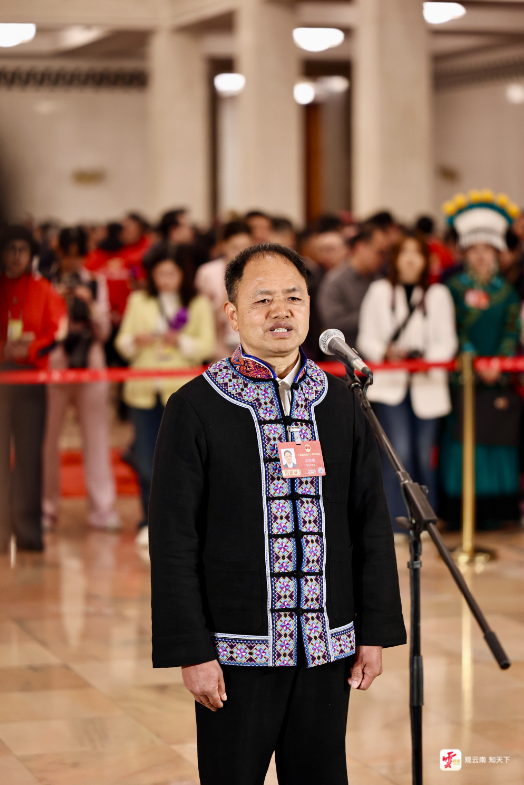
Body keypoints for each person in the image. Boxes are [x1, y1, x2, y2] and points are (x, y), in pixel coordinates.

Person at [148, 242, 406, 785]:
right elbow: (173, 540)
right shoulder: (195, 407)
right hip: (235, 652)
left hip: (327, 646)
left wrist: (374, 631)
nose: (280, 310)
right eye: (262, 299)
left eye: (293, 297)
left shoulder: (342, 402)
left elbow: (370, 524)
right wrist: (192, 651)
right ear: (232, 314)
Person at [115, 243, 215, 546]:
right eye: (160, 274)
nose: (166, 280)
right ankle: (149, 520)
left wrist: (180, 341)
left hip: (182, 392)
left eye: (172, 273)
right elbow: (122, 343)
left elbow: (206, 345)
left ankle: (186, 521)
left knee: (184, 459)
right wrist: (136, 340)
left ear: (183, 274)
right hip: (144, 390)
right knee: (146, 459)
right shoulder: (139, 300)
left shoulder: (197, 303)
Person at [357, 232, 458, 532]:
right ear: (395, 259)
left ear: (426, 260)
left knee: (424, 455)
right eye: (405, 252)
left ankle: (426, 522)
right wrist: (386, 352)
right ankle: (398, 524)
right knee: (396, 453)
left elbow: (448, 341)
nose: (411, 259)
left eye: (417, 253)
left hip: (427, 383)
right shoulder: (379, 291)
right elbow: (366, 337)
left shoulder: (438, 294)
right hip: (391, 385)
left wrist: (426, 359)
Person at [441, 191, 522, 527]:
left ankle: (498, 510)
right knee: (463, 437)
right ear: (464, 253)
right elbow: (452, 328)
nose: (481, 256)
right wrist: (472, 360)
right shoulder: (452, 288)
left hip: (497, 378)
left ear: (497, 253)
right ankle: (461, 511)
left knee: (497, 436)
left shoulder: (507, 291)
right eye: (474, 250)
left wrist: (498, 362)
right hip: (464, 376)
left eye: (487, 250)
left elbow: (511, 330)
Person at [42, 227, 120, 532]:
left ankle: (103, 510)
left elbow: (105, 331)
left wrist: (90, 304)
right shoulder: (45, 283)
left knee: (97, 439)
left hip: (91, 364)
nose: (73, 262)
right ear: (59, 252)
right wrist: (56, 301)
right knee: (48, 441)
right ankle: (45, 510)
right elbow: (43, 328)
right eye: (68, 255)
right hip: (55, 365)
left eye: (79, 255)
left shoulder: (96, 282)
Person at [0, 225, 65, 552]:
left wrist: (30, 348)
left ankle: (28, 531)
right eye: (10, 249)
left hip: (31, 379)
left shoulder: (43, 289)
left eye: (22, 250)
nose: (15, 256)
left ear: (31, 255)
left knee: (28, 455)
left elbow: (58, 330)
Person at [317, 225, 384, 350]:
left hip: (377, 354)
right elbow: (334, 322)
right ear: (360, 247)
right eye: (379, 252)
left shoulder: (380, 281)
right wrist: (372, 316)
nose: (382, 259)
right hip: (344, 355)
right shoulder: (335, 281)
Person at [195, 220, 252, 361]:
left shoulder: (259, 272)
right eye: (235, 247)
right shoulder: (208, 272)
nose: (240, 253)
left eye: (245, 247)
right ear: (223, 246)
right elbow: (201, 312)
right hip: (217, 341)